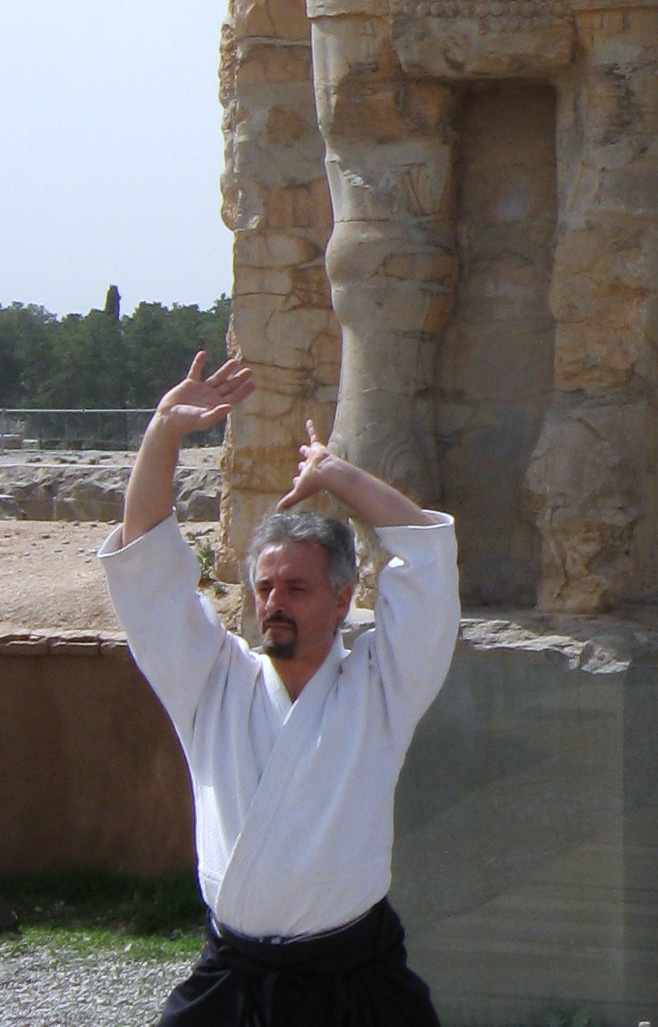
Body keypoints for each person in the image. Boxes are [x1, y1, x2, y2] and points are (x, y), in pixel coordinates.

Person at [100, 351, 460, 1025]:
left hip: (354, 976)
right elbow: (147, 563)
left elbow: (424, 555)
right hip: (235, 976)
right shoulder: (212, 683)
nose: (275, 602)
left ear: (342, 597)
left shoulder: (382, 687)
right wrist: (163, 433)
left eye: (296, 587)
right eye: (265, 587)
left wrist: (334, 474)